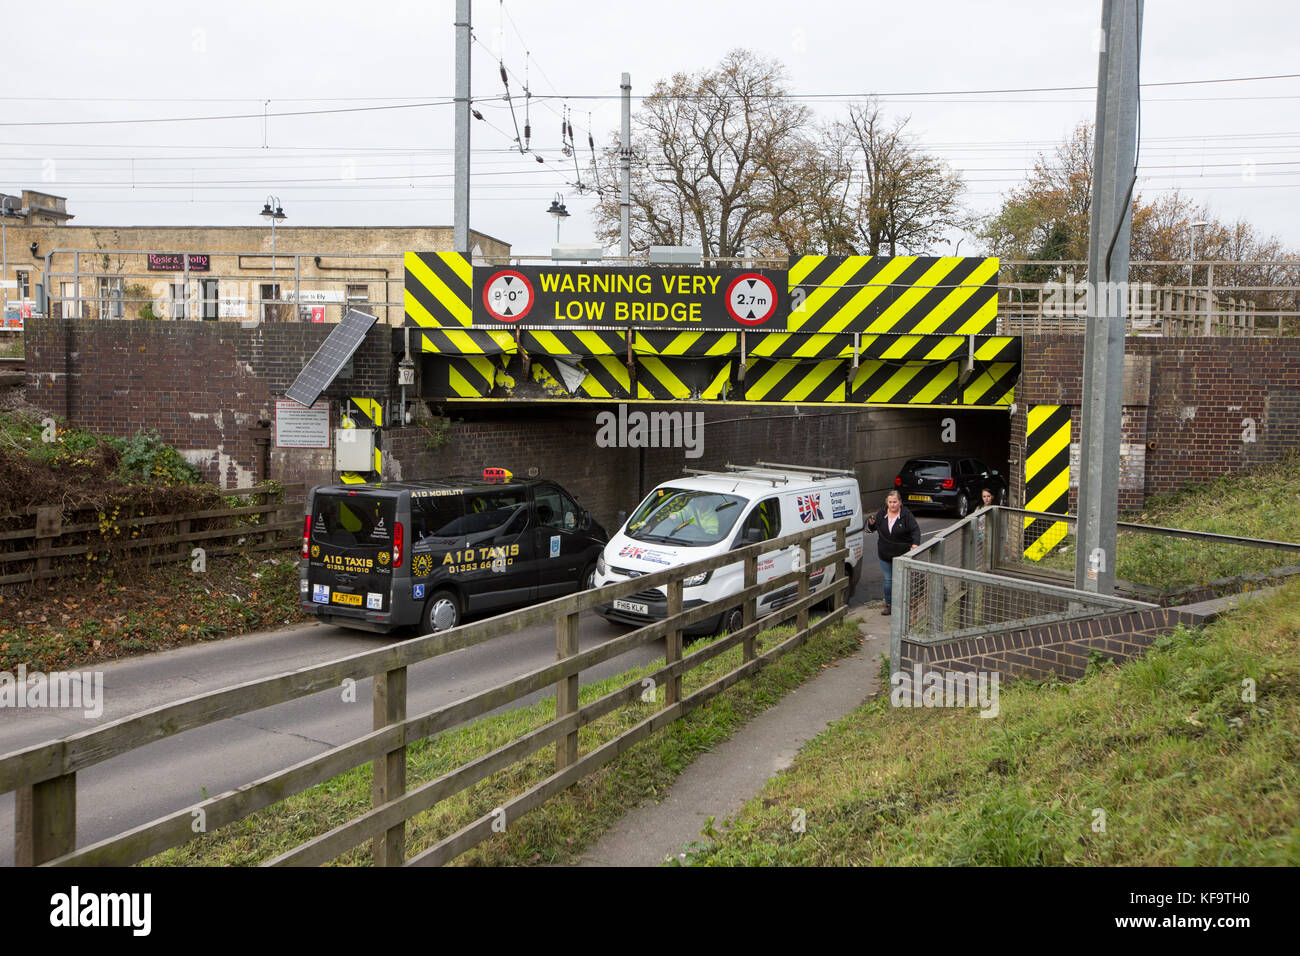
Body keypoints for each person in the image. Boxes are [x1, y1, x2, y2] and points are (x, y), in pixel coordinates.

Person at [866, 491, 921, 616]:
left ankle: (906, 605)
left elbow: (915, 530)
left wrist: (915, 544)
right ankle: (889, 605)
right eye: (890, 502)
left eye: (895, 502)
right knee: (888, 581)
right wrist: (871, 523)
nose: (892, 505)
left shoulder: (906, 515)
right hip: (885, 554)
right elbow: (870, 530)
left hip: (902, 554)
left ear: (900, 502)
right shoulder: (881, 514)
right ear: (887, 503)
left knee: (904, 580)